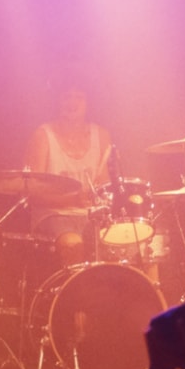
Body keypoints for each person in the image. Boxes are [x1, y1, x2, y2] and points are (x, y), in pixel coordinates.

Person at [24, 84, 116, 268]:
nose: (72, 102)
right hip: (54, 214)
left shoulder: (102, 135)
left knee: (129, 241)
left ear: (88, 102)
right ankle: (78, 295)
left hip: (92, 216)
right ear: (57, 101)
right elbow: (32, 192)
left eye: (79, 97)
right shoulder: (43, 135)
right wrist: (74, 199)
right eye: (67, 96)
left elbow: (104, 185)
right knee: (73, 245)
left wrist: (98, 198)